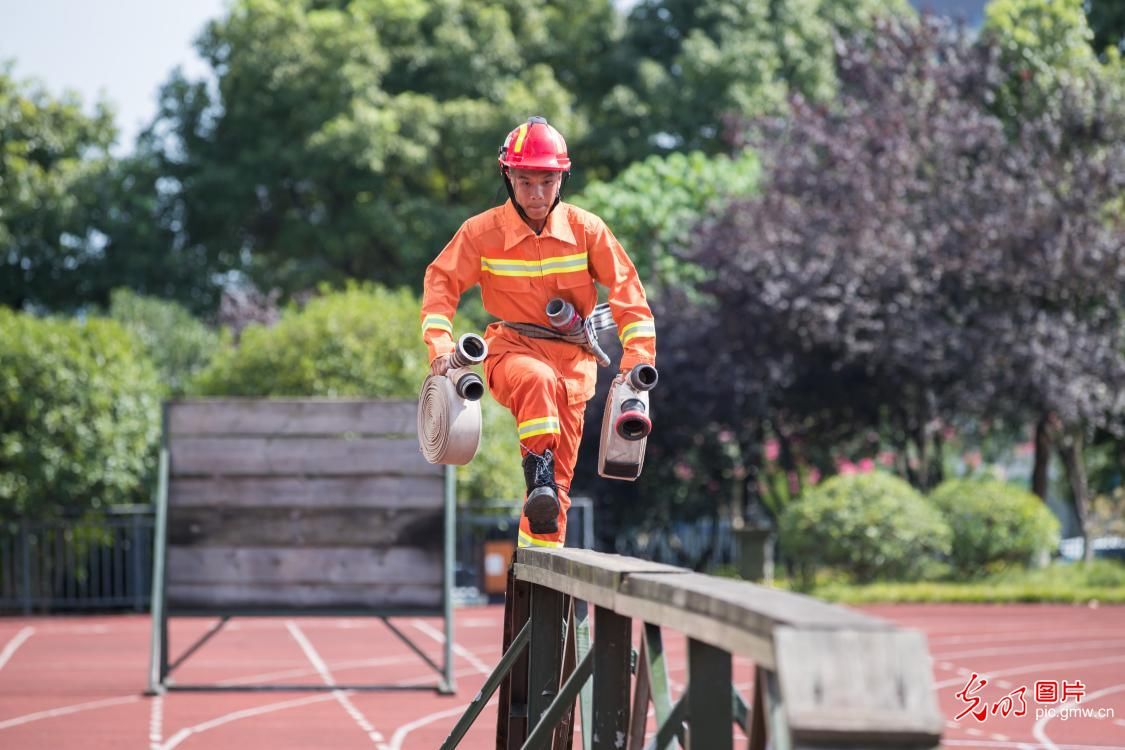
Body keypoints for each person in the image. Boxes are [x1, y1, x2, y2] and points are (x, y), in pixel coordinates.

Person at [421, 116, 656, 549]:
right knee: (536, 380)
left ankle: (538, 590)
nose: (536, 194)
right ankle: (539, 472)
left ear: (561, 179)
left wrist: (637, 361)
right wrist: (439, 344)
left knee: (552, 502)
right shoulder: (481, 233)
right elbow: (441, 282)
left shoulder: (588, 230)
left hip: (574, 369)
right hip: (509, 351)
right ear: (508, 176)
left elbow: (628, 294)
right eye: (526, 181)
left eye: (546, 182)